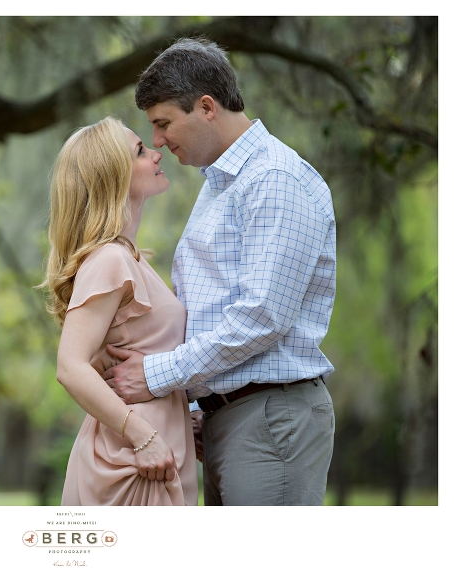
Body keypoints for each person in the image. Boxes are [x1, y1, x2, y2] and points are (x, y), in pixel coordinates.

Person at [103, 37, 337, 506]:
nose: (158, 143)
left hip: (271, 416)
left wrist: (157, 374)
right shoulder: (222, 183)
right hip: (231, 419)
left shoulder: (274, 179)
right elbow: (211, 312)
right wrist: (196, 406)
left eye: (164, 123)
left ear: (206, 107)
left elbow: (261, 316)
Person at [42, 116, 198, 506]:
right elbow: (70, 366)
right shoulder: (110, 259)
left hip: (156, 452)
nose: (157, 152)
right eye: (140, 151)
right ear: (115, 177)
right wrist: (142, 435)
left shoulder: (131, 258)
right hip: (133, 463)